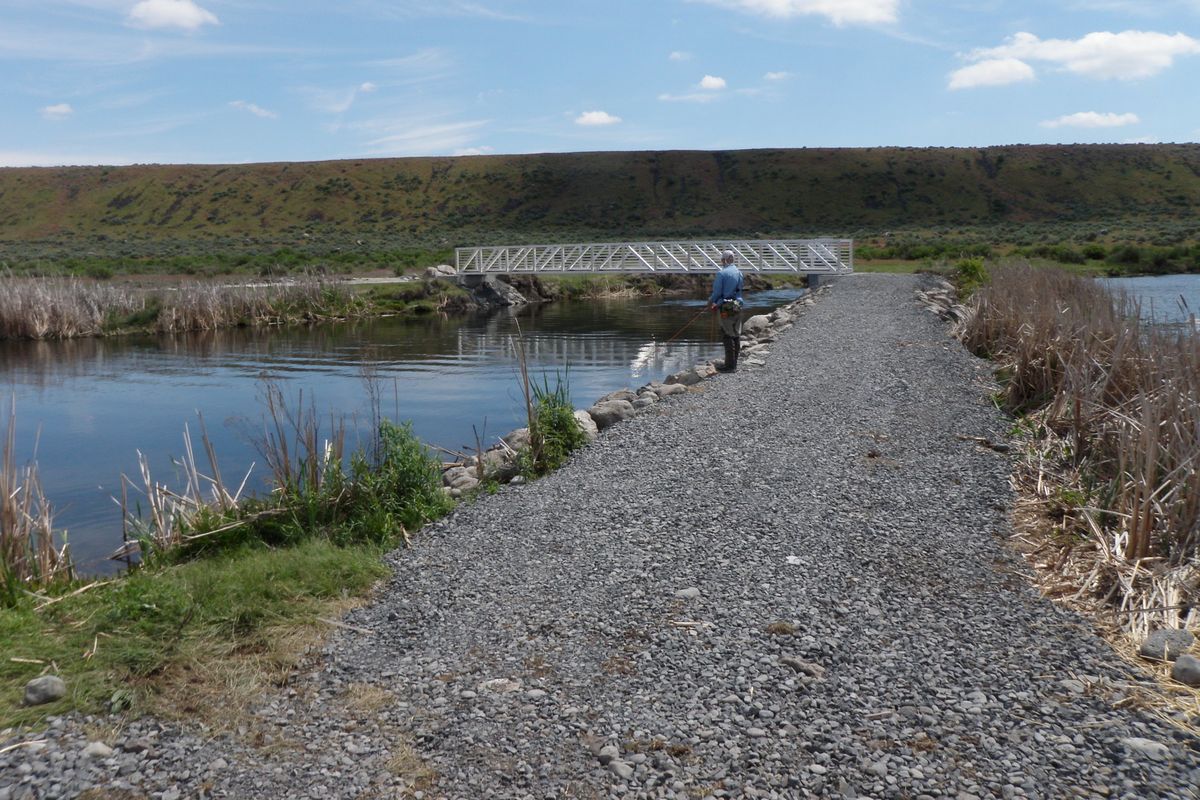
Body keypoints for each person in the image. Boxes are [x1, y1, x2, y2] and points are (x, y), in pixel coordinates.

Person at [708, 249, 744, 372]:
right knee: (736, 334)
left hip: (725, 307)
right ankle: (734, 364)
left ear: (724, 260)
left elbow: (717, 293)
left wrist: (711, 302)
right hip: (738, 305)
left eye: (721, 259)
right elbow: (739, 292)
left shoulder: (721, 274)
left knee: (727, 335)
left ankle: (729, 366)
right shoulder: (739, 273)